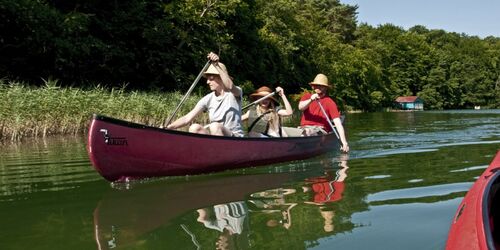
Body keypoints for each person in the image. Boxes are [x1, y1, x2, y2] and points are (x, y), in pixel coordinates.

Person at [167, 52, 244, 137]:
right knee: (194, 128)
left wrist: (216, 65)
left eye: (211, 79)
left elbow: (229, 86)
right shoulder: (208, 98)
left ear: (221, 78)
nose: (207, 82)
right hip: (216, 136)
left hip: (235, 138)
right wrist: (169, 127)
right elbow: (187, 118)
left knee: (215, 126)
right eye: (207, 79)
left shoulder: (235, 93)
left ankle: (218, 148)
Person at [298, 73, 349, 152]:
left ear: (325, 88)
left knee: (306, 132)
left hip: (320, 130)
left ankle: (299, 147)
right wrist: (311, 100)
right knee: (287, 132)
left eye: (320, 85)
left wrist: (344, 142)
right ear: (313, 86)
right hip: (303, 128)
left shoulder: (330, 102)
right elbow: (300, 107)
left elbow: (338, 124)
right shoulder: (307, 96)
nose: (317, 87)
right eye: (316, 85)